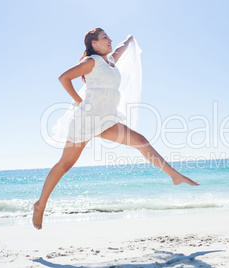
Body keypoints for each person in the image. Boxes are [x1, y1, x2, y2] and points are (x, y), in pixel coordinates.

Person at [33, 27, 199, 230]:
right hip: (87, 119)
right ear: (94, 43)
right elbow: (64, 78)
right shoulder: (91, 62)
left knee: (141, 141)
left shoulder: (110, 61)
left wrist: (129, 40)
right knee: (64, 166)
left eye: (109, 37)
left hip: (106, 120)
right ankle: (41, 205)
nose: (109, 40)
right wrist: (79, 102)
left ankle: (174, 175)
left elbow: (120, 48)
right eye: (105, 38)